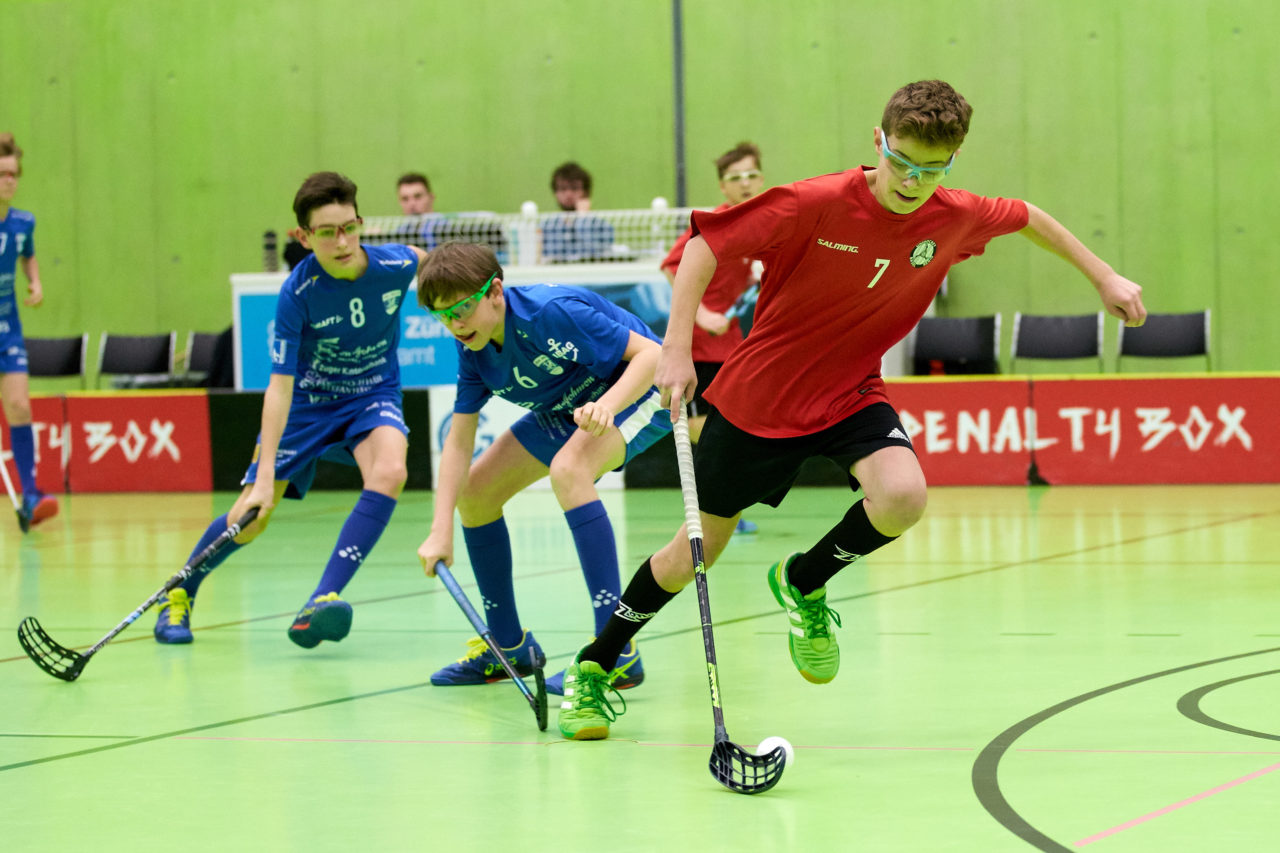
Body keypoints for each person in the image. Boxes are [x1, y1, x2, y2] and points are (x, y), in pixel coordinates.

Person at [555, 79, 1147, 740]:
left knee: (903, 496)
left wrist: (1104, 275)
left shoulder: (954, 214)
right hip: (760, 399)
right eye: (901, 162)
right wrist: (676, 349)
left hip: (850, 391)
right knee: (693, 552)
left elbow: (1029, 216)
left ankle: (805, 580)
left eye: (932, 170)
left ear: (952, 162)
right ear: (878, 140)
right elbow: (701, 245)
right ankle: (596, 663)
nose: (912, 181)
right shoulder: (813, 202)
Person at [153, 171, 427, 648]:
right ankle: (179, 592)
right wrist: (263, 480)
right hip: (308, 407)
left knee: (391, 471)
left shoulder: (396, 264)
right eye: (326, 232)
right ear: (304, 236)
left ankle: (322, 599)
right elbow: (278, 388)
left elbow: (437, 268)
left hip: (371, 396)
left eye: (349, 227)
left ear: (360, 223)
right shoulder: (297, 294)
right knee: (252, 518)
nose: (341, 242)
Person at [416, 242, 671, 694]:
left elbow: (652, 355)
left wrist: (607, 407)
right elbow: (459, 441)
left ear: (495, 291)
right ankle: (509, 648)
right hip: (563, 408)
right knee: (475, 493)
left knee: (569, 469)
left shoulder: (548, 313)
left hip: (638, 390)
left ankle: (613, 654)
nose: (455, 325)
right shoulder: (472, 348)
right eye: (443, 316)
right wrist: (440, 528)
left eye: (462, 309)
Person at [660, 141, 766, 536]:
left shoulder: (767, 221)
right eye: (735, 178)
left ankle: (719, 505)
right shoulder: (712, 221)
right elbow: (672, 265)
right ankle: (708, 507)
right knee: (708, 426)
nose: (745, 184)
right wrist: (702, 314)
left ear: (762, 179)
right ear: (723, 187)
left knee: (729, 425)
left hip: (735, 347)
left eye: (751, 175)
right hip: (700, 346)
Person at [0, 132, 57, 532]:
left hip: (7, 329)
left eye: (13, 175)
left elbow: (28, 254)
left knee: (20, 406)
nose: (9, 181)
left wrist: (34, 282)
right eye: (3, 174)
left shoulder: (23, 222)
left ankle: (31, 494)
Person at [544, 162, 614, 262]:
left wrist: (583, 220)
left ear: (586, 192)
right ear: (555, 193)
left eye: (574, 188)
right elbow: (550, 257)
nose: (568, 194)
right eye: (562, 189)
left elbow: (596, 255)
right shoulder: (547, 227)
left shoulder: (603, 227)